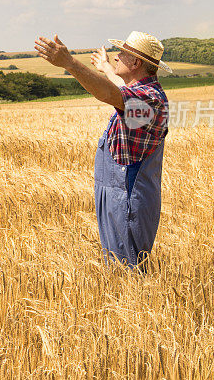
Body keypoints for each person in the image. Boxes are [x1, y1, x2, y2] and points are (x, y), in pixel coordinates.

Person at [34, 31, 171, 270]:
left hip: (129, 196)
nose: (117, 57)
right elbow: (123, 90)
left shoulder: (151, 101)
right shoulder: (141, 91)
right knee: (116, 268)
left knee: (129, 269)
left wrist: (69, 63)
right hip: (116, 191)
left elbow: (112, 94)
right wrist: (107, 69)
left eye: (123, 54)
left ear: (136, 62)